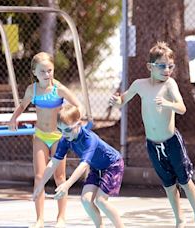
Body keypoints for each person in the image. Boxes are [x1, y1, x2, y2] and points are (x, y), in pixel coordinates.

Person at [109, 41, 195, 228]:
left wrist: (168, 104)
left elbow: (182, 108)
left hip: (172, 142)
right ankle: (179, 219)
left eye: (171, 66)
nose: (167, 70)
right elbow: (122, 101)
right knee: (169, 185)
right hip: (153, 144)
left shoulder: (170, 84)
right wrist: (116, 101)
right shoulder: (140, 85)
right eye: (162, 66)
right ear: (150, 67)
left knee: (185, 181)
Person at [8, 52, 83, 228]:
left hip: (58, 136)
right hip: (41, 135)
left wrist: (75, 121)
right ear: (34, 72)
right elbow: (22, 105)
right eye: (43, 71)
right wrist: (14, 118)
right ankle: (39, 219)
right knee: (39, 176)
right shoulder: (31, 90)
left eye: (50, 70)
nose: (47, 75)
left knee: (60, 177)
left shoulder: (59, 89)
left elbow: (79, 105)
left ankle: (61, 218)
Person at [33, 104, 125, 228]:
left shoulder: (89, 139)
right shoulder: (65, 140)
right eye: (60, 130)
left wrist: (67, 185)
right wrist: (40, 185)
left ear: (79, 124)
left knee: (101, 201)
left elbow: (83, 166)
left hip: (113, 165)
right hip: (97, 168)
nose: (64, 134)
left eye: (67, 130)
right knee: (86, 200)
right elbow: (53, 162)